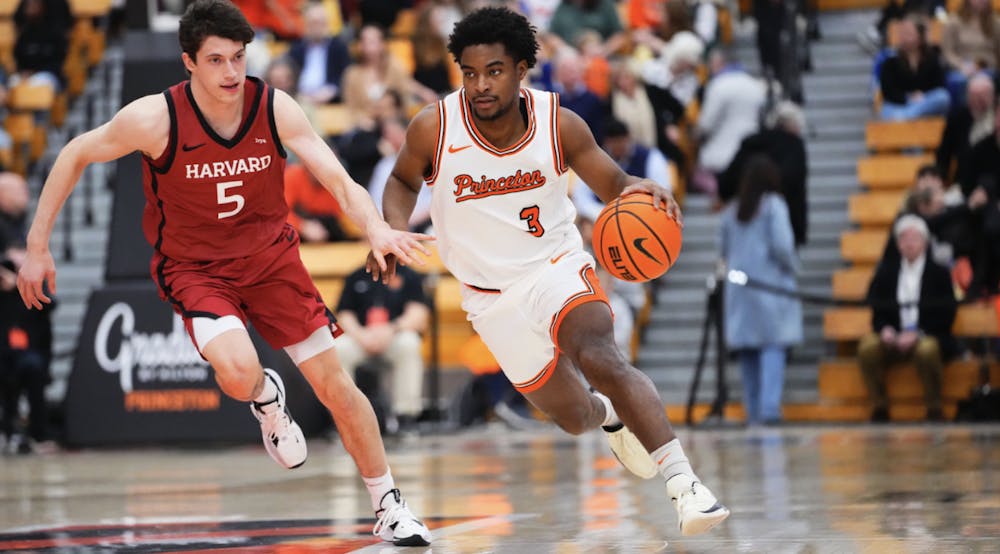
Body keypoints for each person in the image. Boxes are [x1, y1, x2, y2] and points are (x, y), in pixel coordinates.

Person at [15, 1, 432, 546]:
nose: (232, 73)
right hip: (196, 269)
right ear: (189, 61)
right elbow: (73, 152)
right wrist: (37, 243)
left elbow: (334, 175)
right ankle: (265, 399)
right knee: (237, 371)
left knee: (336, 386)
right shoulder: (154, 118)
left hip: (271, 261)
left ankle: (388, 505)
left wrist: (374, 227)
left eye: (238, 58)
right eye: (216, 61)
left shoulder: (274, 107)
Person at [374, 7, 729, 536]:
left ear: (522, 69)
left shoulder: (558, 122)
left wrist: (635, 186)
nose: (480, 85)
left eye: (494, 71)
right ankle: (610, 415)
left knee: (599, 352)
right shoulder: (435, 126)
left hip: (555, 267)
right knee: (572, 416)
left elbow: (611, 182)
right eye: (469, 73)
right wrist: (392, 230)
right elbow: (402, 181)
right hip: (489, 297)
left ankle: (685, 486)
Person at [720, 156, 802, 425]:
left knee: (748, 351)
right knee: (772, 347)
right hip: (771, 287)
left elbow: (723, 251)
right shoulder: (774, 207)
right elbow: (783, 246)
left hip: (740, 292)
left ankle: (753, 413)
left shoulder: (731, 210)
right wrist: (793, 268)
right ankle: (769, 410)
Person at [857, 215, 957, 423]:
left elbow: (946, 314)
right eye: (904, 238)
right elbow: (877, 309)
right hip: (893, 337)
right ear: (897, 243)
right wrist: (885, 329)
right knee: (867, 347)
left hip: (926, 335)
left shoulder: (939, 273)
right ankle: (879, 406)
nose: (909, 243)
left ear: (925, 242)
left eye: (914, 238)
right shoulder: (886, 272)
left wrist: (918, 333)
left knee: (927, 349)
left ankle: (934, 407)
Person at [335, 262, 430, 433]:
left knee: (409, 343)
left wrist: (391, 329)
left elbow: (418, 314)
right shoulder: (355, 276)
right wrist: (361, 335)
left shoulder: (410, 276)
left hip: (394, 337)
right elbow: (344, 314)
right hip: (361, 338)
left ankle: (406, 416)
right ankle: (344, 416)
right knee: (339, 348)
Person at [877, 17, 950, 122]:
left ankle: (907, 116)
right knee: (887, 111)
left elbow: (939, 84)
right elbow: (888, 91)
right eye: (901, 33)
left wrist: (922, 95)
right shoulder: (890, 61)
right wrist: (908, 97)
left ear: (919, 37)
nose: (903, 37)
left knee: (942, 97)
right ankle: (909, 115)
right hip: (899, 104)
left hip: (925, 101)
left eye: (908, 33)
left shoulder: (932, 57)